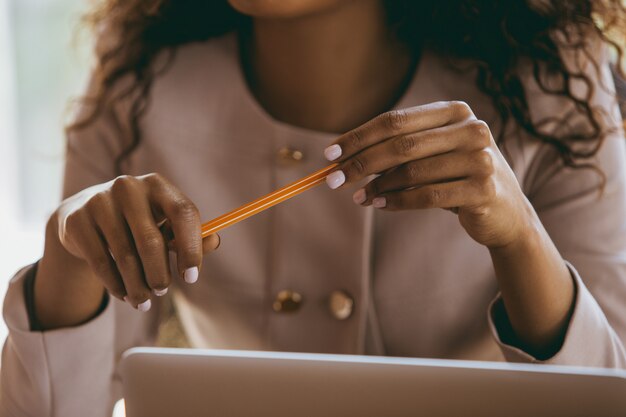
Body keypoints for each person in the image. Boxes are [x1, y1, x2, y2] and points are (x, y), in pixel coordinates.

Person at [2, 1, 626, 416]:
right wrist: (68, 253)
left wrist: (520, 238)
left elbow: (607, 391)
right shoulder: (136, 92)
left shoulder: (553, 90)